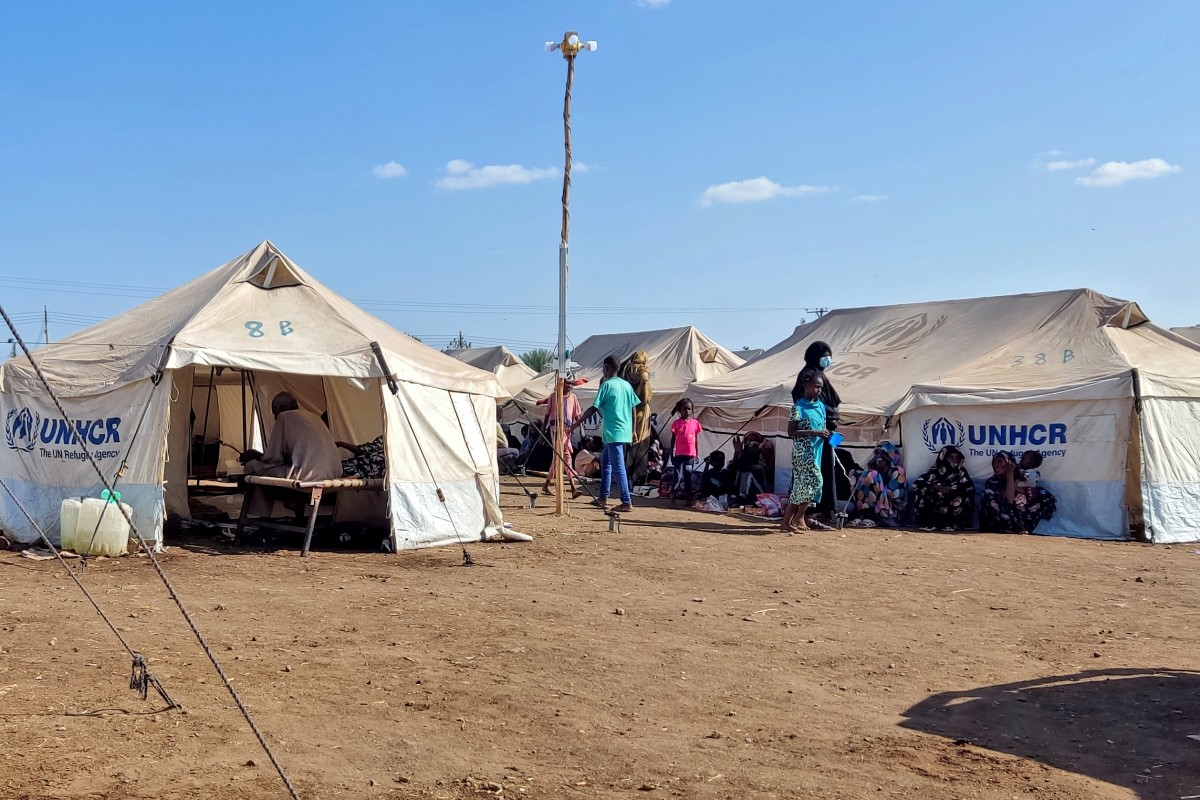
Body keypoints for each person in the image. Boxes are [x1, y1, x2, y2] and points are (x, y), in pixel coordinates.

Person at [240, 392, 342, 517]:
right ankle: (297, 513)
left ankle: (261, 517)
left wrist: (255, 456)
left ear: (281, 409)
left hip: (309, 477)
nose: (275, 418)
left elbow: (273, 459)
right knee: (290, 470)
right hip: (333, 475)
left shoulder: (284, 417)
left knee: (253, 467)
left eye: (275, 413)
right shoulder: (314, 417)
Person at [571, 356, 640, 513]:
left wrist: (577, 423)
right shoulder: (627, 386)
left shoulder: (606, 385)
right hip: (622, 432)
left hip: (614, 433)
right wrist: (634, 430)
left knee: (618, 467)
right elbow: (634, 407)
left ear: (607, 368)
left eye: (603, 368)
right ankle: (603, 497)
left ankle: (626, 501)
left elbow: (593, 408)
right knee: (606, 462)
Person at [780, 368, 831, 533]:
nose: (818, 390)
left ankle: (796, 518)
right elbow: (791, 432)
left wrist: (825, 433)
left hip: (816, 451)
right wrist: (814, 432)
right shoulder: (798, 407)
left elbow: (821, 425)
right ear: (806, 385)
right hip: (803, 452)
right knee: (811, 483)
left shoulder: (821, 406)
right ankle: (794, 518)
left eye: (821, 388)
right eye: (816, 386)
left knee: (811, 485)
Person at [801, 342, 842, 529]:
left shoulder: (820, 376)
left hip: (825, 434)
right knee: (813, 473)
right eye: (824, 355)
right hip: (813, 436)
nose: (827, 359)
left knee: (826, 471)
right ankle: (807, 513)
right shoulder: (807, 376)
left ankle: (826, 510)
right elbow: (806, 404)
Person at [980, 451, 1057, 534]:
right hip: (1003, 520)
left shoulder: (1023, 476)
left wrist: (1026, 492)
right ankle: (1010, 526)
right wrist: (1010, 473)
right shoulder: (992, 481)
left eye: (1000, 461)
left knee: (1043, 495)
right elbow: (1008, 500)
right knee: (987, 494)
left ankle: (1021, 527)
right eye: (994, 462)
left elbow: (1032, 491)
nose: (996, 465)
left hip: (1022, 519)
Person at [911, 445, 976, 531]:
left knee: (962, 496)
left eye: (957, 457)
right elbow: (916, 484)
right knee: (922, 490)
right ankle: (928, 523)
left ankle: (950, 524)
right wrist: (936, 487)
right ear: (943, 457)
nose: (954, 460)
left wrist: (950, 490)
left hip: (952, 507)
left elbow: (969, 488)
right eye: (951, 457)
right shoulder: (935, 471)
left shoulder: (961, 472)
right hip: (935, 505)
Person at [846, 441, 908, 528]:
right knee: (855, 474)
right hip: (873, 506)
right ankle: (862, 515)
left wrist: (878, 481)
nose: (879, 456)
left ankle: (873, 518)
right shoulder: (873, 470)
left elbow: (895, 495)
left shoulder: (897, 471)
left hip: (891, 512)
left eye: (883, 453)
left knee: (872, 476)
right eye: (877, 453)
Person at [540, 380, 583, 497]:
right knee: (565, 456)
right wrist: (543, 431)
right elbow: (547, 415)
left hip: (567, 431)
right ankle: (573, 488)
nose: (569, 386)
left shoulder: (573, 398)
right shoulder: (554, 397)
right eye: (567, 383)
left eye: (571, 384)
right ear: (561, 384)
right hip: (556, 430)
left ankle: (546, 484)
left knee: (558, 459)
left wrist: (581, 428)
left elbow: (578, 415)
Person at [668, 399, 702, 506]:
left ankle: (688, 499)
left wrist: (697, 453)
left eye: (689, 409)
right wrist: (672, 453)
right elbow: (673, 439)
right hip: (679, 455)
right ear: (679, 410)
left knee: (688, 476)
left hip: (690, 455)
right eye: (685, 409)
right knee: (677, 476)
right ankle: (673, 498)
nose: (687, 411)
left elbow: (696, 438)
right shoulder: (676, 423)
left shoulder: (695, 423)